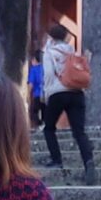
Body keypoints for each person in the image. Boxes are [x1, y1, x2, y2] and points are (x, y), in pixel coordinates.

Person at [39, 20, 95, 177]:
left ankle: (56, 159)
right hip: (77, 93)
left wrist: (46, 94)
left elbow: (48, 75)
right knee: (79, 131)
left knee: (49, 128)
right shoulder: (73, 53)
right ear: (65, 37)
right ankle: (88, 160)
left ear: (51, 37)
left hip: (57, 93)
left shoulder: (50, 53)